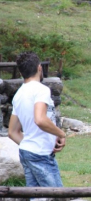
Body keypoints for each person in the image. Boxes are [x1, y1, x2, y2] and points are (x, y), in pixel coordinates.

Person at [8, 51, 66, 187]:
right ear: (39, 68)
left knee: (36, 200)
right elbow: (40, 119)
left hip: (26, 151)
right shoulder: (41, 90)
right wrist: (60, 133)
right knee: (58, 200)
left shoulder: (18, 94)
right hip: (41, 154)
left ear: (21, 72)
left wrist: (29, 145)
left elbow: (12, 132)